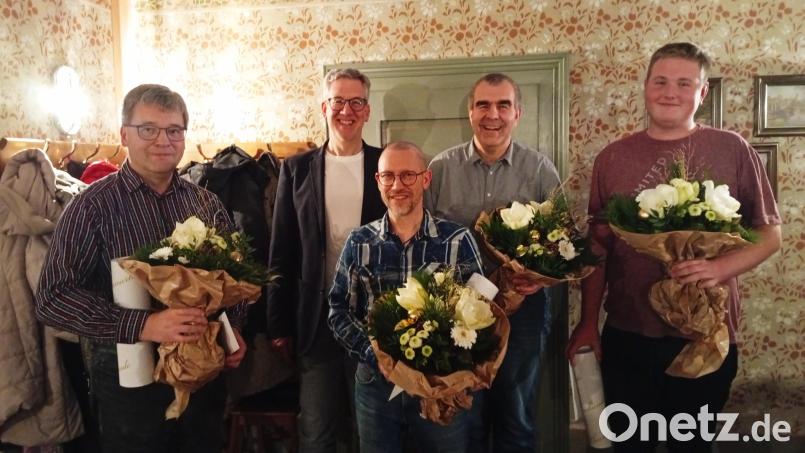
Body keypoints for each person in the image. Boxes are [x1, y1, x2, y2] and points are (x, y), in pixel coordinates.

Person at [566, 42, 782, 452]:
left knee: (693, 446)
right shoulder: (612, 158)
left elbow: (770, 234)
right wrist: (588, 321)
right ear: (645, 86)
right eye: (661, 81)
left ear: (702, 93)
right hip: (629, 332)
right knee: (631, 445)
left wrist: (720, 269)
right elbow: (598, 247)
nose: (670, 92)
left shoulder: (732, 148)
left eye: (685, 83)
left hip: (705, 333)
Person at [35, 84, 248, 452]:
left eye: (174, 130)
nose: (163, 140)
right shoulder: (92, 207)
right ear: (124, 134)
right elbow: (53, 298)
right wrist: (145, 324)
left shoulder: (206, 202)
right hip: (130, 381)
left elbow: (233, 278)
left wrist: (234, 331)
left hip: (202, 371)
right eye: (148, 129)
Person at [426, 73, 561, 452]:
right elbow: (424, 240)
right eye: (483, 104)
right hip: (457, 313)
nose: (493, 114)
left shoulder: (539, 170)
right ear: (470, 112)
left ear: (517, 113)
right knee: (464, 415)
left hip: (523, 312)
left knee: (515, 418)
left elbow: (560, 244)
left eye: (503, 105)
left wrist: (539, 278)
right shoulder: (440, 169)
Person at [328, 141, 484, 453]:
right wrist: (379, 357)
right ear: (378, 182)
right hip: (376, 386)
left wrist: (444, 360)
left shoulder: (457, 240)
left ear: (425, 179)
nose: (397, 185)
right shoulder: (359, 242)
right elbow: (338, 310)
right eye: (388, 176)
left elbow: (482, 312)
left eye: (408, 176)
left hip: (440, 384)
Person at [266, 68, 386, 453]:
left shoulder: (387, 167)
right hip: (315, 319)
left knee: (370, 428)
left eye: (356, 102)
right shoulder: (296, 169)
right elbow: (281, 247)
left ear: (367, 111)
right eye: (338, 101)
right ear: (324, 107)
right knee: (316, 430)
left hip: (374, 319)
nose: (346, 111)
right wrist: (277, 322)